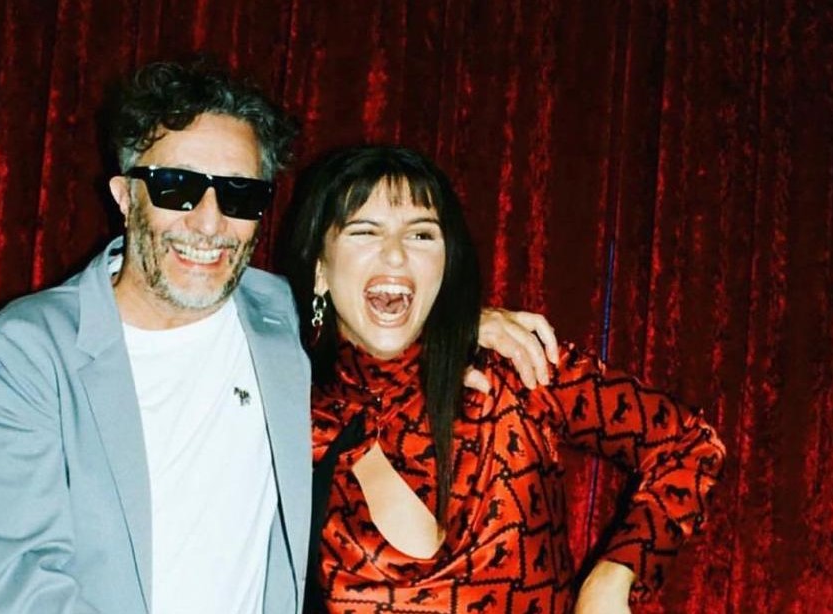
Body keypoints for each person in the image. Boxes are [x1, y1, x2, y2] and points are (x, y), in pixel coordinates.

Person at [0, 62, 557, 614]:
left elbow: (377, 309)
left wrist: (462, 320)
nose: (209, 223)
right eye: (175, 188)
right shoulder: (22, 352)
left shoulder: (282, 317)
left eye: (240, 194)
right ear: (124, 196)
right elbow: (31, 582)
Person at [287, 145, 726, 614]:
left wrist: (611, 580)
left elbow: (688, 442)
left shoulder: (515, 368)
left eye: (421, 234)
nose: (395, 255)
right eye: (364, 231)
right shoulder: (286, 424)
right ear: (320, 271)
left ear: (445, 264)